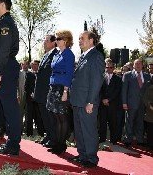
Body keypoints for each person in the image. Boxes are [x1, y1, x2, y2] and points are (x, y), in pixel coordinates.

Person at [0, 0, 21, 155]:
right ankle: (12, 143)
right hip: (6, 65)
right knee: (9, 108)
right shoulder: (6, 21)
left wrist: (0, 72)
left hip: (6, 66)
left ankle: (13, 145)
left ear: (3, 5)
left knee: (10, 108)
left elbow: (4, 51)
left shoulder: (5, 23)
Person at [69, 31, 105, 168]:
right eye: (78, 39)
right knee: (79, 130)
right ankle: (82, 155)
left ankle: (91, 158)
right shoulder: (83, 56)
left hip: (87, 102)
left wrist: (90, 101)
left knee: (88, 130)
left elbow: (96, 81)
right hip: (77, 101)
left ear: (91, 40)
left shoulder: (96, 56)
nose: (79, 41)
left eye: (82, 38)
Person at [46, 30, 75, 154]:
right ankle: (57, 143)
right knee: (56, 117)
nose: (56, 40)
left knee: (62, 117)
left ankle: (61, 145)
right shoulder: (57, 54)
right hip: (53, 87)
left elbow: (69, 74)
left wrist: (65, 91)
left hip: (62, 88)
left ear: (65, 40)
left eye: (58, 39)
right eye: (56, 39)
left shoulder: (69, 54)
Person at [33, 35, 58, 147]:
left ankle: (53, 139)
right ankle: (48, 136)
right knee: (44, 117)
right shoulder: (45, 55)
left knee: (50, 117)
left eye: (47, 41)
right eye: (44, 40)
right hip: (41, 93)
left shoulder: (56, 55)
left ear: (53, 43)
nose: (44, 43)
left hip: (48, 92)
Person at [122, 59, 151, 146]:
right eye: (136, 64)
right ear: (133, 65)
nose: (138, 65)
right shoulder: (127, 75)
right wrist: (124, 103)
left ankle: (140, 139)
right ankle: (128, 139)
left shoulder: (147, 76)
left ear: (142, 65)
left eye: (139, 64)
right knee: (129, 122)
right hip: (131, 104)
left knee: (140, 122)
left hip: (143, 104)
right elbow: (124, 90)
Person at [99, 61, 122, 144]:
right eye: (107, 67)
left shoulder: (118, 79)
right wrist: (103, 99)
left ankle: (113, 139)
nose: (109, 69)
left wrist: (108, 100)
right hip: (102, 104)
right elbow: (99, 90)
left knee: (113, 122)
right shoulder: (101, 77)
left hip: (113, 104)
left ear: (114, 68)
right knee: (102, 122)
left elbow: (117, 91)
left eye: (111, 67)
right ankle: (102, 139)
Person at [143, 77, 153, 150]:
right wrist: (150, 106)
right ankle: (150, 145)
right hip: (150, 113)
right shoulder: (149, 89)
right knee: (150, 130)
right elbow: (145, 99)